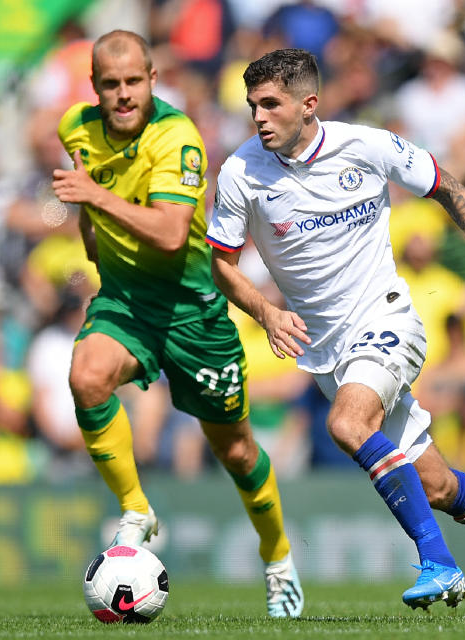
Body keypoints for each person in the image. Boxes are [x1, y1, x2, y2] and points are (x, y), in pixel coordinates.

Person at [206, 48, 465, 610]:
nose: (258, 117)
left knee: (348, 424)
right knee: (439, 488)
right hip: (329, 352)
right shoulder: (240, 174)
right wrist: (266, 312)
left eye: (270, 104)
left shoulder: (367, 146)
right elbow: (222, 266)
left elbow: (448, 185)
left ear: (309, 105)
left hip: (387, 320)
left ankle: (440, 563)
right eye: (252, 105)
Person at [52, 30, 303, 618]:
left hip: (192, 312)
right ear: (94, 87)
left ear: (153, 80)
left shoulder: (178, 137)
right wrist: (90, 218)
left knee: (237, 451)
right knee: (86, 376)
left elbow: (169, 234)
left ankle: (278, 556)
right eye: (109, 84)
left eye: (133, 82)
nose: (122, 95)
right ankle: (136, 508)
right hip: (127, 302)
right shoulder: (74, 127)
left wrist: (92, 195)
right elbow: (91, 200)